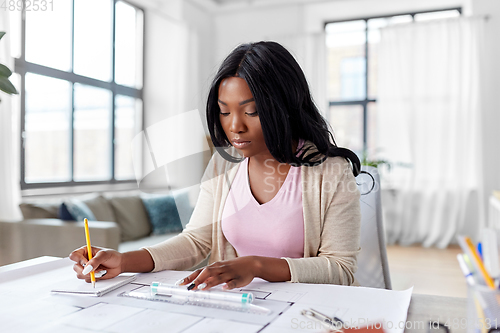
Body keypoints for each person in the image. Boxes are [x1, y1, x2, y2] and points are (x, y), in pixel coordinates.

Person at [70, 41, 362, 290]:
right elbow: (196, 240)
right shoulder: (224, 164)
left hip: (307, 311)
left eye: (251, 111)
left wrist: (256, 265)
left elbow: (340, 269)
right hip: (240, 306)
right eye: (224, 112)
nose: (235, 126)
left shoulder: (332, 172)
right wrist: (124, 260)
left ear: (284, 107)